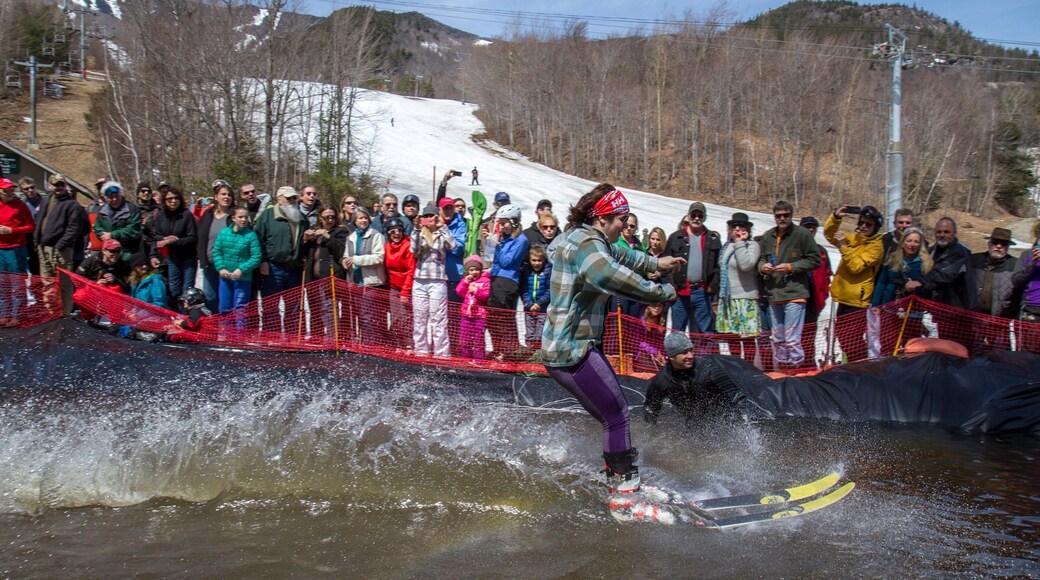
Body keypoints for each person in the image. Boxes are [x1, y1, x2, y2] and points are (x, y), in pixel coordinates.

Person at [541, 184, 684, 493]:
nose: (624, 224)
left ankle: (616, 474)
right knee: (617, 416)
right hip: (573, 350)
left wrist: (655, 263)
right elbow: (609, 275)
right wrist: (661, 293)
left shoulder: (582, 238)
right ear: (602, 218)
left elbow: (620, 254)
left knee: (611, 416)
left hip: (563, 350)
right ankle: (623, 486)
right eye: (620, 218)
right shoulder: (588, 246)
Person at [757, 200, 822, 369]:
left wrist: (791, 267)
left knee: (792, 338)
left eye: (786, 215)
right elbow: (762, 258)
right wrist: (763, 268)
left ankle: (796, 370)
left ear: (791, 216)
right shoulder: (768, 236)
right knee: (778, 338)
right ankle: (783, 369)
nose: (782, 218)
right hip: (774, 294)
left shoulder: (802, 235)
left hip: (795, 294)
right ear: (774, 217)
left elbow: (815, 260)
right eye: (778, 216)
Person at [823, 204, 884, 363]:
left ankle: (861, 367)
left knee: (852, 340)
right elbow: (829, 234)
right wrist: (836, 217)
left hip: (857, 301)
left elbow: (856, 266)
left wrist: (844, 247)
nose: (863, 226)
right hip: (843, 297)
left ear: (875, 227)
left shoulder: (876, 247)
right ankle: (854, 365)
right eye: (861, 223)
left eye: (868, 224)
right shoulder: (853, 238)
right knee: (842, 337)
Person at [644, 332, 740, 426]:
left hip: (725, 421)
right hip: (695, 425)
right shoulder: (662, 380)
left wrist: (745, 423)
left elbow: (737, 396)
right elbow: (651, 409)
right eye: (684, 352)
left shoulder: (708, 369)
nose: (690, 356)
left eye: (691, 350)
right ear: (672, 357)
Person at [871, 227, 933, 351]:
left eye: (916, 242)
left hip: (913, 312)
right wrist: (876, 304)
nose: (912, 245)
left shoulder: (925, 263)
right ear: (903, 242)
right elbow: (882, 281)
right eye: (909, 241)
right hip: (890, 308)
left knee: (909, 346)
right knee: (888, 343)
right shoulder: (892, 258)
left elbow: (928, 287)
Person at [35, 174, 88, 316]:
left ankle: (65, 314)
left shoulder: (72, 204)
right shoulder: (46, 200)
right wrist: (37, 241)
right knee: (47, 282)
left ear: (65, 186)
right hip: (44, 247)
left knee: (65, 284)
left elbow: (73, 228)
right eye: (55, 185)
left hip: (62, 249)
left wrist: (60, 245)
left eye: (61, 185)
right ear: (50, 186)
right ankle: (51, 312)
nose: (58, 188)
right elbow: (39, 220)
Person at [255, 186, 307, 329]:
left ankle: (291, 338)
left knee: (294, 307)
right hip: (273, 267)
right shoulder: (268, 215)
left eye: (294, 198)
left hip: (295, 268)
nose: (292, 200)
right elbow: (258, 238)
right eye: (288, 198)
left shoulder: (301, 217)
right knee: (270, 306)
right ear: (279, 199)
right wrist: (263, 261)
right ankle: (272, 337)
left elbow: (305, 241)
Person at [665, 201, 721, 334]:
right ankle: (677, 355)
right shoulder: (675, 237)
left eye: (700, 215)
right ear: (688, 216)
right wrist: (671, 286)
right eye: (694, 215)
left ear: (704, 217)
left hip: (702, 292)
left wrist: (712, 287)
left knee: (705, 333)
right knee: (677, 332)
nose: (696, 218)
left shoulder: (712, 238)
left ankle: (705, 356)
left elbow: (719, 267)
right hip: (680, 292)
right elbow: (665, 264)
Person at [715, 212, 762, 363]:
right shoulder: (726, 246)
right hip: (728, 299)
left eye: (741, 226)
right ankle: (736, 367)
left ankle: (747, 368)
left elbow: (746, 265)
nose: (737, 229)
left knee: (747, 340)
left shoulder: (752, 245)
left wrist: (740, 243)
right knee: (732, 339)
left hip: (745, 299)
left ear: (748, 229)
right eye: (734, 226)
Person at [411, 202, 456, 357]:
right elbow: (413, 249)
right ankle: (421, 351)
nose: (429, 219)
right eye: (426, 216)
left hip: (437, 280)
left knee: (439, 318)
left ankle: (442, 354)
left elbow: (452, 245)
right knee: (419, 318)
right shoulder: (419, 233)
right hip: (419, 280)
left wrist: (442, 226)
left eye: (431, 216)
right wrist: (417, 228)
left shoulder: (441, 233)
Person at [487, 203, 529, 360]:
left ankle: (509, 352)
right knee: (492, 317)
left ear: (514, 221)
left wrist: (497, 245)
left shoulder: (521, 239)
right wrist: (493, 242)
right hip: (496, 278)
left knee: (504, 318)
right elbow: (490, 259)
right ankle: (499, 349)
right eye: (500, 222)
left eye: (504, 222)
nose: (502, 226)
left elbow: (507, 262)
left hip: (507, 281)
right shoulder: (504, 238)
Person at [341, 207, 388, 346]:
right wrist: (345, 261)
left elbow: (379, 258)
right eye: (360, 218)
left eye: (365, 218)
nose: (363, 220)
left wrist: (356, 260)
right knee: (357, 315)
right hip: (354, 282)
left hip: (370, 282)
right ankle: (360, 342)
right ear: (354, 220)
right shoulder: (351, 238)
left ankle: (371, 344)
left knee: (369, 316)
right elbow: (346, 255)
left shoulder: (376, 235)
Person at [212, 207, 263, 328]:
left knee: (240, 308)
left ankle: (239, 336)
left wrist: (242, 269)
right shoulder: (224, 233)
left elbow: (256, 257)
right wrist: (221, 268)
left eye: (246, 217)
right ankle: (226, 333)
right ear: (233, 218)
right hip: (226, 277)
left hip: (242, 278)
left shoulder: (251, 235)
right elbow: (217, 251)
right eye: (240, 217)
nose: (244, 220)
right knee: (224, 307)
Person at [907, 217, 972, 310]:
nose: (942, 235)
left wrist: (921, 282)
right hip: (931, 306)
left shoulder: (960, 252)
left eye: (946, 232)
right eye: (939, 232)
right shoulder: (930, 252)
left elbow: (944, 273)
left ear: (954, 233)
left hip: (953, 308)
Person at [150, 186, 198, 304]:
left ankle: (186, 317)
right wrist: (165, 240)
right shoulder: (162, 216)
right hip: (172, 258)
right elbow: (156, 235)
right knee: (174, 289)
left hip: (188, 258)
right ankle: (176, 314)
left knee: (187, 290)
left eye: (176, 198)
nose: (173, 201)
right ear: (164, 201)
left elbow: (193, 237)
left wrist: (175, 241)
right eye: (169, 199)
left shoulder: (186, 215)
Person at [0, 178, 34, 327]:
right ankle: (4, 313)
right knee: (2, 284)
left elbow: (30, 226)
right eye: (6, 190)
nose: (9, 193)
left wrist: (12, 230)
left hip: (16, 248)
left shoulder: (20, 206)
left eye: (12, 189)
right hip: (1, 249)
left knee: (17, 283)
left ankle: (17, 314)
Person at [196, 183, 234, 312]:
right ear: (216, 197)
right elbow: (200, 236)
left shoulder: (234, 216)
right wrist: (201, 257)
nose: (226, 197)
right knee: (211, 298)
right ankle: (213, 329)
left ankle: (227, 329)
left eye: (229, 195)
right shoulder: (208, 215)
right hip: (210, 263)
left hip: (228, 265)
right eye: (223, 194)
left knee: (227, 300)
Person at [970, 228, 1019, 319]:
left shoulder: (1015, 265)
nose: (999, 246)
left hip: (1000, 322)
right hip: (972, 318)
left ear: (1008, 247)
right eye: (995, 242)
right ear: (989, 243)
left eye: (1003, 243)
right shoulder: (973, 260)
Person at [383, 216, 415, 350]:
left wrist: (405, 292)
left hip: (406, 287)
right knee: (395, 317)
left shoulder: (408, 246)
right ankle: (398, 342)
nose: (396, 234)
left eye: (399, 230)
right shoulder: (387, 247)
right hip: (393, 287)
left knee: (406, 317)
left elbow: (410, 269)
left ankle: (409, 343)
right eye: (392, 231)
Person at [94, 181, 144, 255]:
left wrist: (112, 235)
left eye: (116, 196)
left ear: (120, 194)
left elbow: (134, 230)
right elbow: (97, 227)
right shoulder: (102, 211)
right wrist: (102, 235)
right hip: (110, 253)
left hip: (130, 252)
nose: (114, 199)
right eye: (111, 197)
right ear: (106, 198)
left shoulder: (132, 209)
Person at [456, 254, 491, 360]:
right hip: (467, 314)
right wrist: (465, 282)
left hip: (479, 315)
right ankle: (465, 357)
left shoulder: (485, 281)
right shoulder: (466, 281)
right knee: (465, 337)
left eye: (476, 269)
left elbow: (486, 295)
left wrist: (476, 290)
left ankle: (479, 358)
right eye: (471, 270)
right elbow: (459, 292)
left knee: (478, 338)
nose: (474, 272)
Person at [1012, 222, 1040, 353]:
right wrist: (1032, 264)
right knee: (1028, 353)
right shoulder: (1027, 255)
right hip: (1030, 310)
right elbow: (1016, 281)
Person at [520, 245, 552, 353]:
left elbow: (549, 290)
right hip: (529, 308)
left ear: (543, 260)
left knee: (540, 332)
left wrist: (539, 303)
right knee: (530, 332)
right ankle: (529, 352)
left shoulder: (547, 271)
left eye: (539, 260)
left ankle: (538, 353)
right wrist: (529, 304)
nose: (536, 263)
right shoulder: (527, 271)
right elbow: (523, 289)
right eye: (533, 260)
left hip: (542, 308)